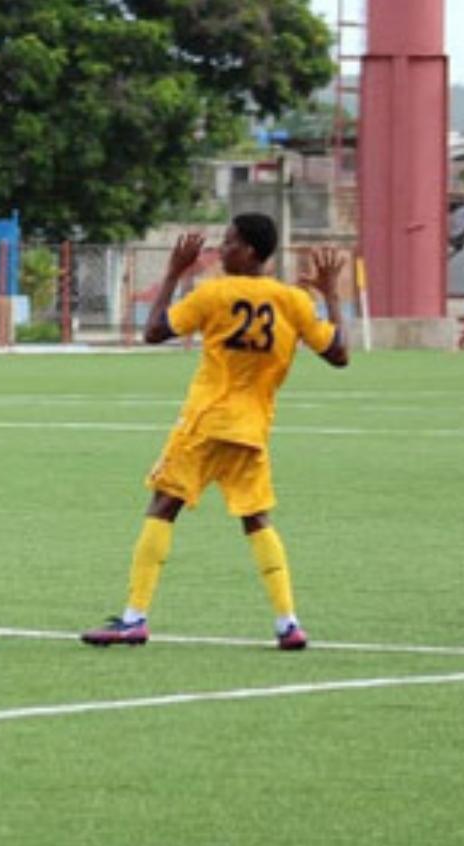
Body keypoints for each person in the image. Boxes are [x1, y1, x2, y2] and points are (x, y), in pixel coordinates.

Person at [82, 214, 349, 651]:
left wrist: (172, 273)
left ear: (250, 251)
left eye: (229, 243)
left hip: (206, 422)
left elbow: (153, 332)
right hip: (252, 429)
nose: (221, 251)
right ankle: (288, 623)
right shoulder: (293, 300)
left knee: (163, 506)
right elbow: (339, 354)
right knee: (256, 518)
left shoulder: (215, 294)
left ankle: (134, 619)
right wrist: (332, 296)